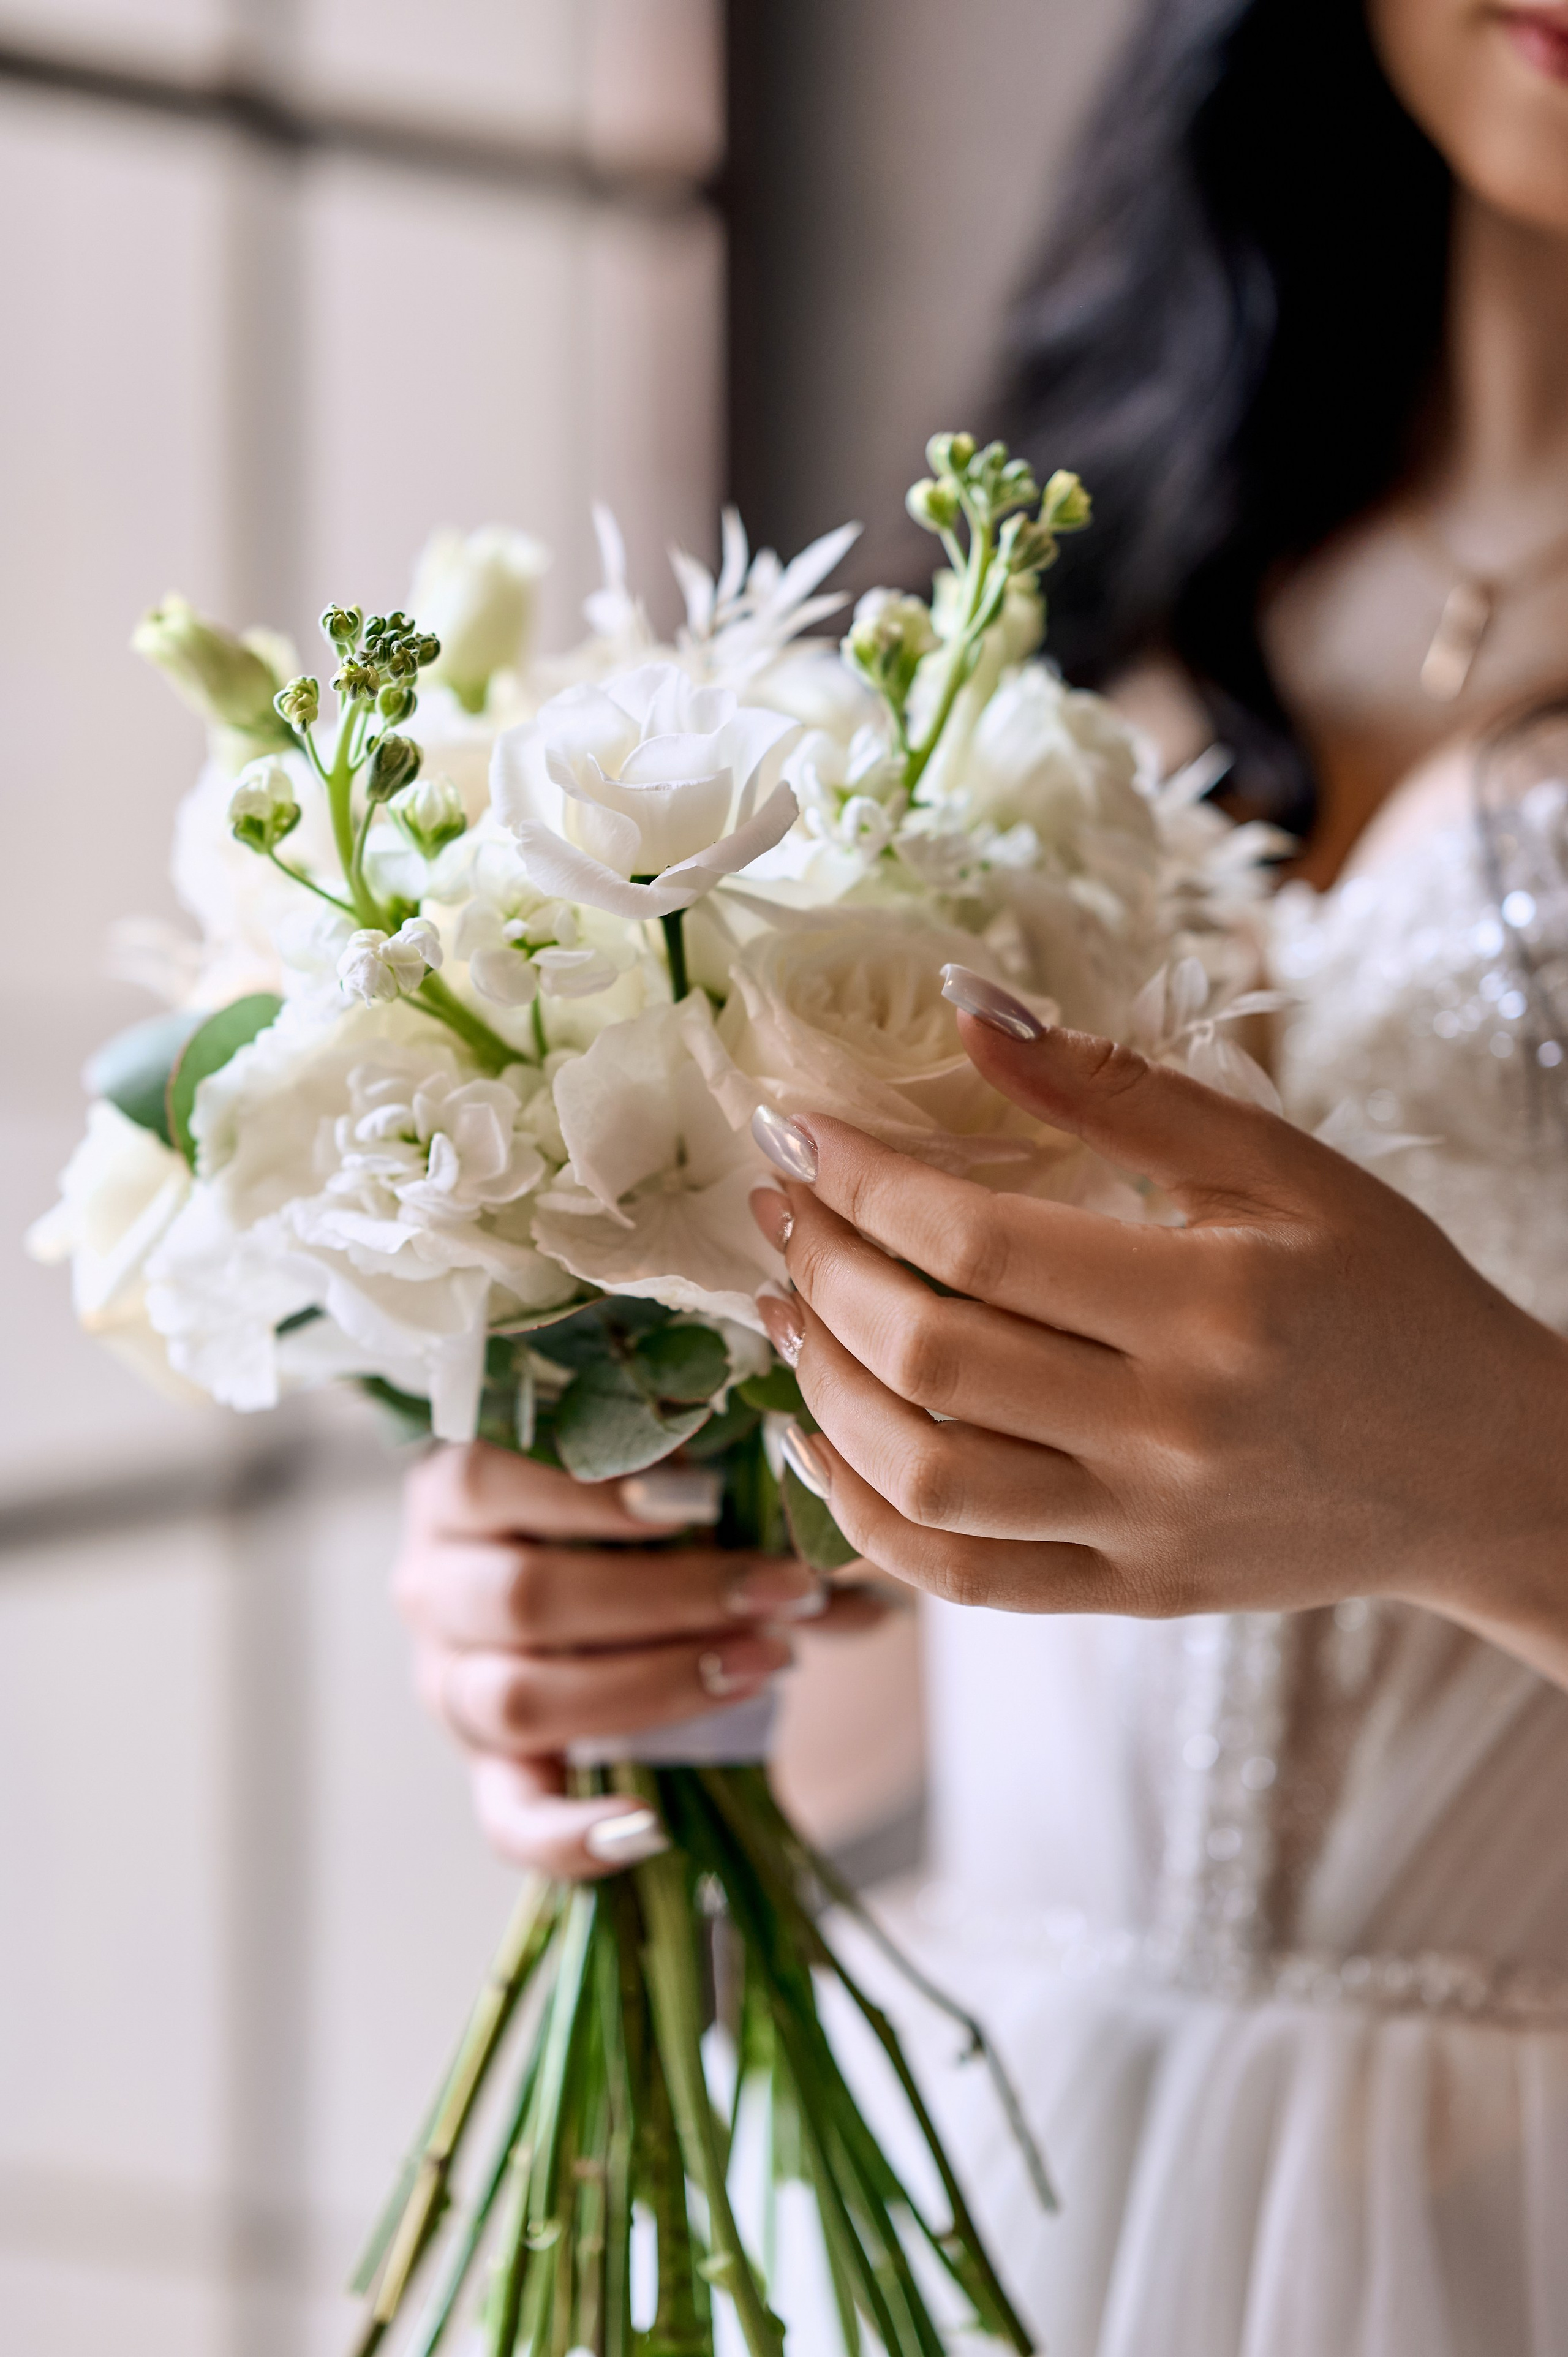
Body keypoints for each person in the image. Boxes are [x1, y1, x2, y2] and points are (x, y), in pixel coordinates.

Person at [391, 0, 1568, 2347]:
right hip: (1011, 2152)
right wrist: (664, 1608)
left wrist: (1499, 1482)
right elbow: (942, 1681)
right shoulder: (1084, 560)